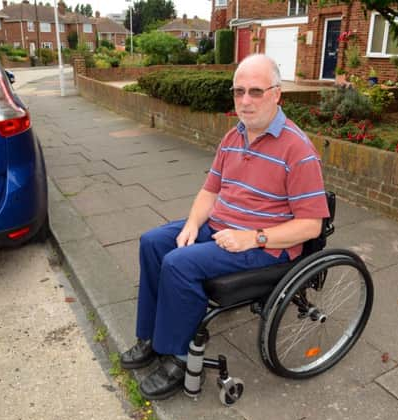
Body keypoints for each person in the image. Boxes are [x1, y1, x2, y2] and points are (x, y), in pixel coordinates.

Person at [120, 53, 330, 401]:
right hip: (221, 225)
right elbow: (210, 190)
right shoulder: (235, 136)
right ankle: (152, 338)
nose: (245, 101)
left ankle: (180, 356)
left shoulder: (298, 150)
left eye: (256, 92)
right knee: (153, 242)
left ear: (277, 94)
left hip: (264, 246)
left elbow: (311, 226)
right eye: (238, 91)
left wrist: (254, 237)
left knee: (178, 263)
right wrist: (190, 224)